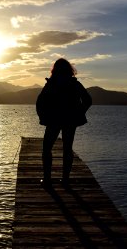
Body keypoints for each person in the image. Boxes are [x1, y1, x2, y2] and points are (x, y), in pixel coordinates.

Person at [36, 58, 92, 187]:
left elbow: (40, 101)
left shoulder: (51, 84)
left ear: (54, 69)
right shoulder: (75, 84)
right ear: (69, 70)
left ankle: (47, 180)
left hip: (53, 120)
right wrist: (79, 113)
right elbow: (88, 100)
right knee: (67, 149)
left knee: (46, 149)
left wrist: (42, 116)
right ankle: (65, 180)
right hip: (70, 120)